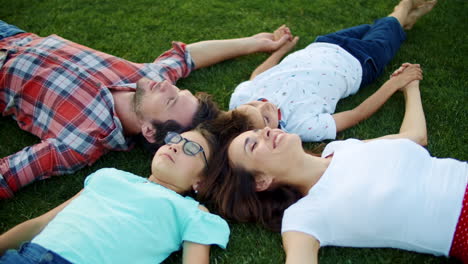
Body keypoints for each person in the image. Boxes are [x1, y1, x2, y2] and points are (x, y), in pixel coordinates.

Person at [205, 64, 468, 263]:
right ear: (261, 181)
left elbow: (415, 137)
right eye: (253, 145)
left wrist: (410, 87)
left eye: (257, 132)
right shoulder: (303, 217)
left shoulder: (339, 149)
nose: (265, 131)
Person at [0, 20, 292, 199]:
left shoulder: (81, 141)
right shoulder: (146, 78)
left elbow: (9, 175)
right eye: (178, 92)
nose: (165, 86)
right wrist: (256, 43)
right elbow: (187, 56)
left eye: (170, 100)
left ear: (150, 130)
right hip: (15, 35)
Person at [0, 125, 230, 264]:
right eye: (175, 139)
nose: (175, 146)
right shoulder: (109, 176)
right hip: (26, 256)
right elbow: (40, 224)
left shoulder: (192, 212)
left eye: (191, 149)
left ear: (200, 181)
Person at [228, 0, 436, 142]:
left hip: (324, 44)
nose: (265, 106)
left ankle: (403, 21)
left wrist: (282, 50)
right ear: (268, 134)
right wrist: (393, 85)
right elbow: (356, 114)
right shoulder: (300, 126)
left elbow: (258, 75)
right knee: (387, 27)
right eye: (265, 119)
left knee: (375, 27)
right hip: (361, 61)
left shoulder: (240, 100)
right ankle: (405, 5)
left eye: (254, 105)